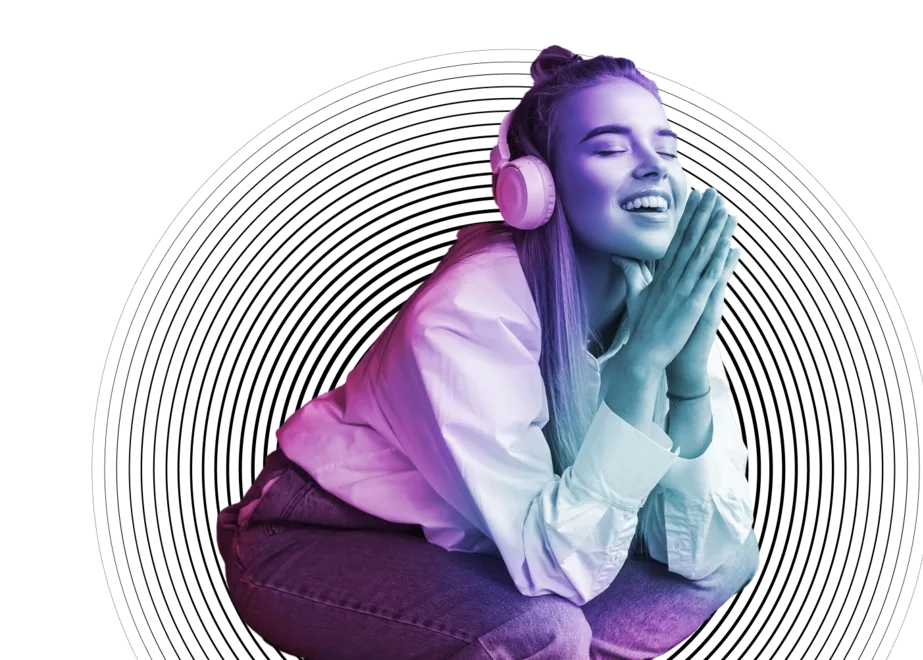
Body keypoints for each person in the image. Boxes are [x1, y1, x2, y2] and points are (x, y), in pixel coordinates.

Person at [215, 43, 760, 660]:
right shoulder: (465, 314)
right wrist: (640, 369)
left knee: (729, 558)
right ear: (534, 185)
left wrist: (686, 375)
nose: (653, 168)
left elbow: (705, 545)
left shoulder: (660, 294)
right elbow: (556, 573)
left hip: (509, 543)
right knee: (542, 630)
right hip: (323, 535)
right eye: (610, 148)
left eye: (665, 148)